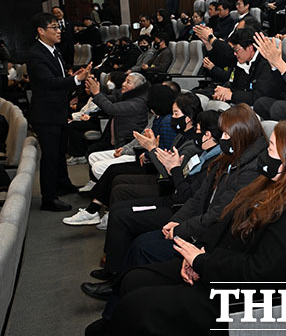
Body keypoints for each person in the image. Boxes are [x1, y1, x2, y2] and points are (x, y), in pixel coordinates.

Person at [85, 119, 286, 336]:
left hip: (237, 296)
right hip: (216, 266)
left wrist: (201, 262)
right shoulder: (268, 183)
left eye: (271, 148)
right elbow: (225, 222)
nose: (265, 154)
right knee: (134, 278)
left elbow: (260, 273)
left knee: (137, 305)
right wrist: (198, 252)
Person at [81, 110, 223, 292]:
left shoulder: (213, 161)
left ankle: (116, 277)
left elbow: (187, 194)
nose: (196, 132)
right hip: (174, 200)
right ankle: (113, 268)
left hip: (178, 207)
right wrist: (169, 165)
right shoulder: (203, 153)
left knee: (124, 218)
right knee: (118, 209)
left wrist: (170, 166)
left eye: (198, 129)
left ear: (207, 134)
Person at [66, 93, 201, 226]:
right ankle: (99, 211)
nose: (173, 117)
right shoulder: (181, 134)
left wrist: (151, 150)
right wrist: (150, 149)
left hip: (165, 183)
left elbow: (169, 172)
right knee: (116, 177)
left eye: (176, 114)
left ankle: (105, 214)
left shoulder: (189, 142)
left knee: (118, 183)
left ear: (188, 118)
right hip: (158, 171)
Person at [27, 12, 92, 211]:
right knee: (50, 155)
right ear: (41, 31)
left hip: (58, 110)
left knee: (60, 152)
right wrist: (76, 80)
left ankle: (63, 184)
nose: (59, 31)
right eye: (54, 27)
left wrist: (72, 83)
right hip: (46, 114)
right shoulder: (36, 54)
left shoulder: (54, 50)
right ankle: (49, 198)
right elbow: (49, 82)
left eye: (58, 27)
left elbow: (60, 78)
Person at [207, 28, 281, 111]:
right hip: (241, 106)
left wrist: (232, 95)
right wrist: (224, 92)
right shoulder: (242, 61)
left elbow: (259, 97)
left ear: (250, 48)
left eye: (236, 50)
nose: (235, 53)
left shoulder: (266, 64)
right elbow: (235, 86)